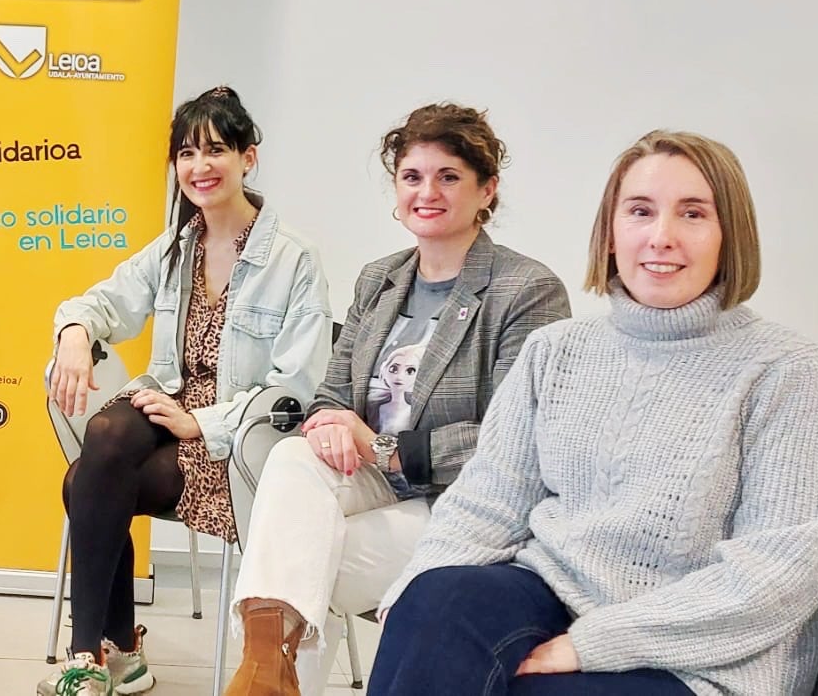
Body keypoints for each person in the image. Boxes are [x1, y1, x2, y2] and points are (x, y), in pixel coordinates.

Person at [368, 131, 818, 695]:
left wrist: (591, 644)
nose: (661, 236)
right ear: (610, 232)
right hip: (553, 593)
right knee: (436, 602)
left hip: (703, 657)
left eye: (693, 213)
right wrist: (412, 593)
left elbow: (777, 575)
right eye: (640, 211)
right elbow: (488, 500)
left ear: (731, 236)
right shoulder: (556, 351)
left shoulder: (791, 373)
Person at [226, 104, 571, 695]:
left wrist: (384, 449)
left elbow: (518, 440)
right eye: (412, 176)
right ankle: (265, 670)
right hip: (368, 482)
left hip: (461, 508)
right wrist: (329, 421)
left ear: (487, 190)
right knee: (293, 461)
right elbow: (332, 393)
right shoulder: (379, 279)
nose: (426, 192)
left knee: (300, 564)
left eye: (448, 177)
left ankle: (261, 676)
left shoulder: (526, 290)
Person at [39, 86, 333, 696]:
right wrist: (74, 331)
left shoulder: (294, 259)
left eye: (216, 150)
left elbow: (295, 389)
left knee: (84, 481)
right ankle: (100, 652)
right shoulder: (177, 247)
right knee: (106, 431)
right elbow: (105, 301)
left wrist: (202, 423)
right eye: (187, 153)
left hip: (237, 438)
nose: (200, 166)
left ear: (248, 158)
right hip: (169, 405)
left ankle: (109, 652)